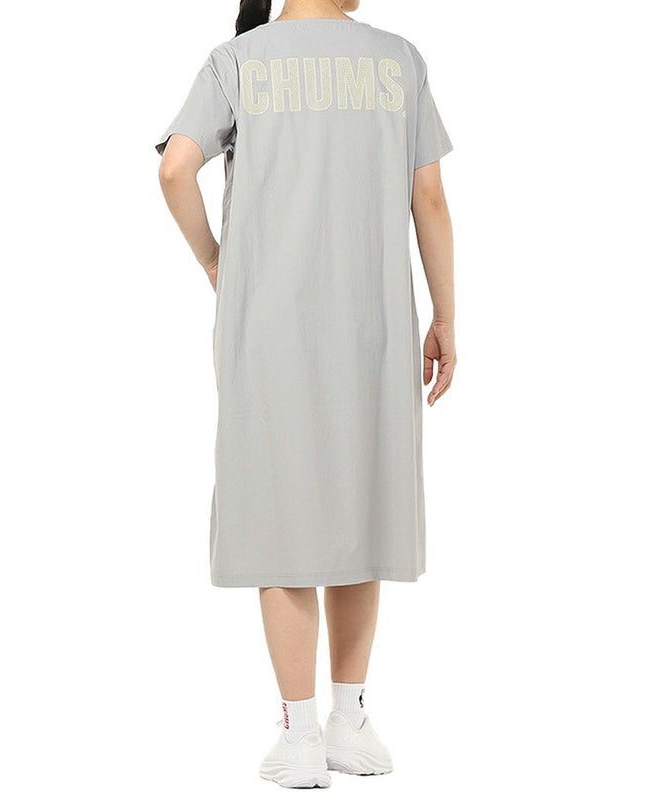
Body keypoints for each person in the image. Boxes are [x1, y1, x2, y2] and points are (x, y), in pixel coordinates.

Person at [154, 0, 456, 788]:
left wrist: (216, 261)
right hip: (373, 326)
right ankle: (349, 720)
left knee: (280, 517)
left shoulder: (239, 61)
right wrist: (445, 317)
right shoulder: (398, 59)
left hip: (268, 330)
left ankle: (299, 733)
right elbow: (429, 198)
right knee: (361, 509)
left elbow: (175, 169)